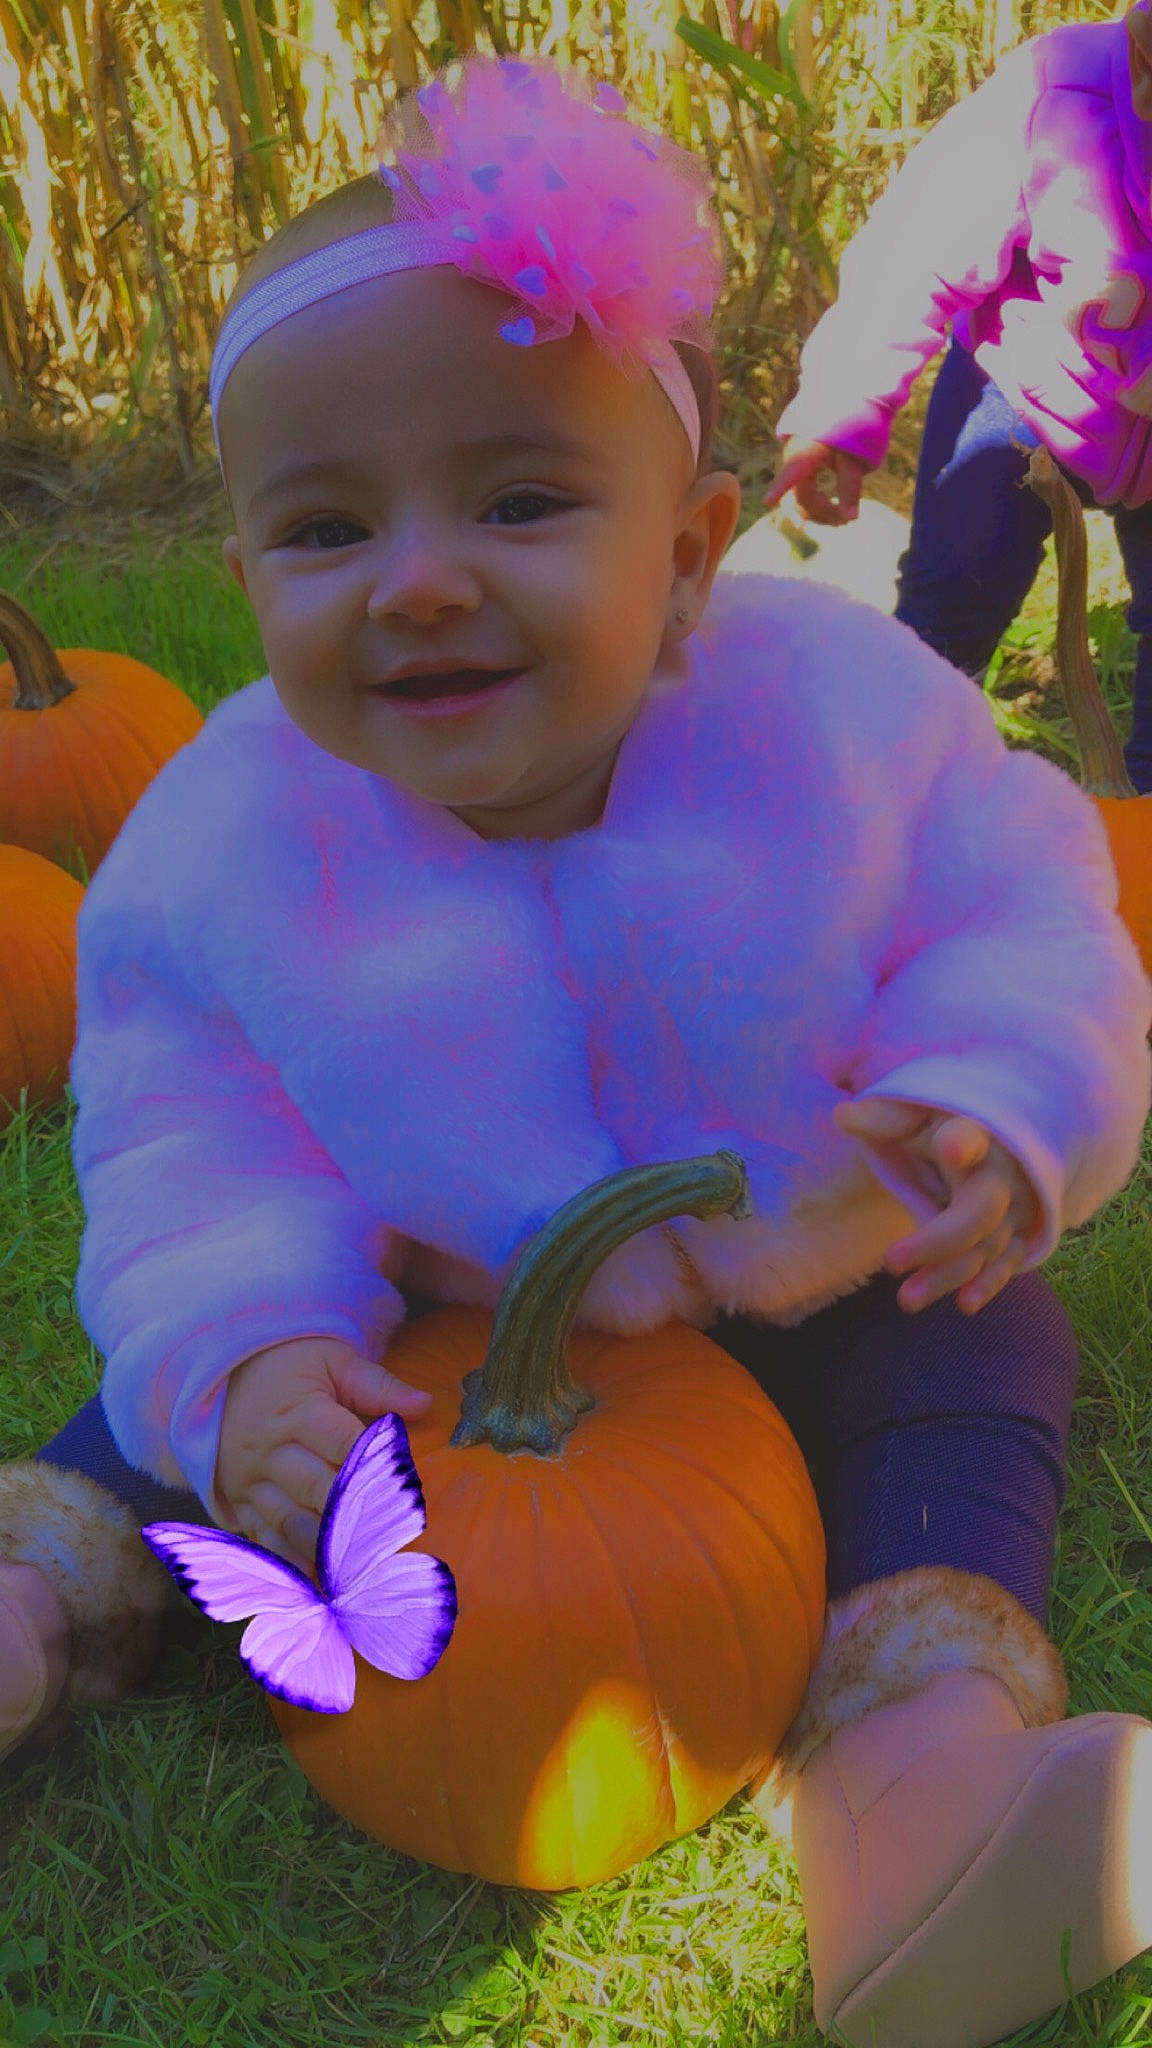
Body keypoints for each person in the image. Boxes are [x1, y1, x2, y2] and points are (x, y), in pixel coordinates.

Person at [1, 55, 1150, 2048]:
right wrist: (253, 1345)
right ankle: (34, 1595)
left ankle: (917, 1775)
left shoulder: (841, 718)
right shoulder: (226, 841)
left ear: (693, 547)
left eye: (521, 497)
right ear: (250, 570)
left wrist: (999, 1088)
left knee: (979, 1364)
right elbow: (195, 1133)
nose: (421, 575)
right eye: (327, 528)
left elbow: (1020, 891)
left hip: (815, 1250)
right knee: (172, 1414)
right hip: (432, 1301)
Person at [766, 0, 1152, 795]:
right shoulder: (1060, 95)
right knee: (952, 607)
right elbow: (918, 246)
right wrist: (841, 408)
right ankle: (877, 804)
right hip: (1026, 391)